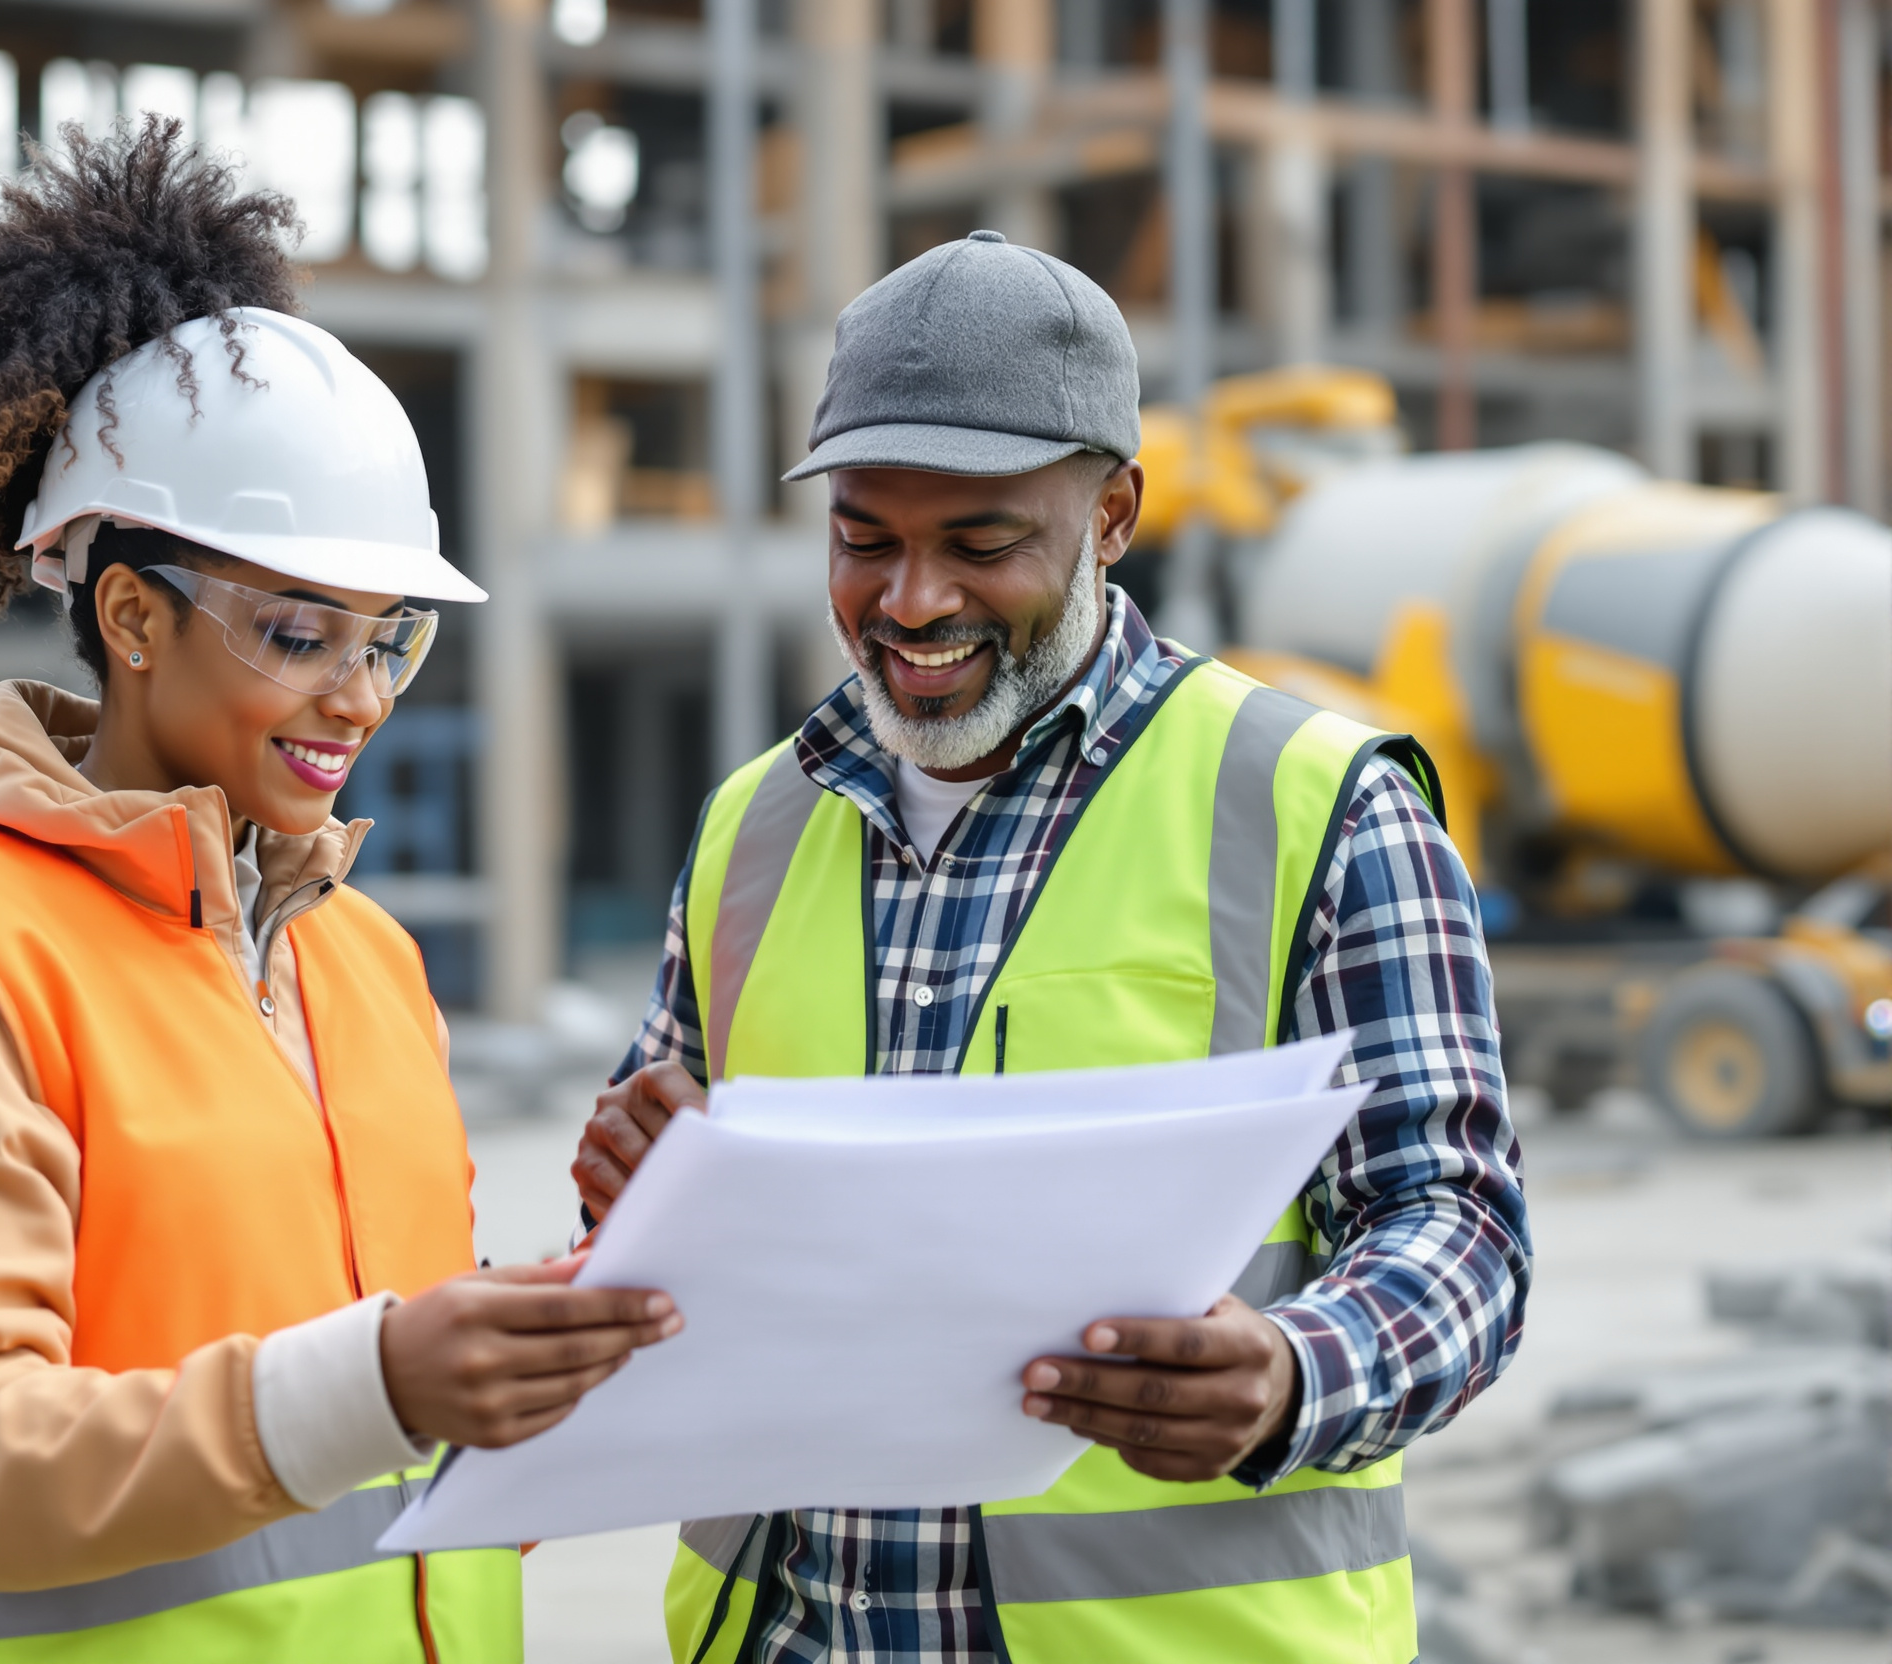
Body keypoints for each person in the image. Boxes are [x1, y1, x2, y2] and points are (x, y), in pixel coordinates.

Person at [0, 123, 678, 1664]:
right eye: (298, 634)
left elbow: (366, 1372)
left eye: (387, 640)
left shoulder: (366, 966)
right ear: (129, 616)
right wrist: (378, 1381)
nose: (359, 699)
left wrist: (578, 1310)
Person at [574, 231, 1532, 1664]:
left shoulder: (1318, 810)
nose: (910, 603)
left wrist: (1288, 1373)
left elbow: (1463, 1231)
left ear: (1115, 516)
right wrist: (641, 1201)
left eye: (980, 543)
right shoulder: (749, 832)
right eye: (863, 540)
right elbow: (670, 1255)